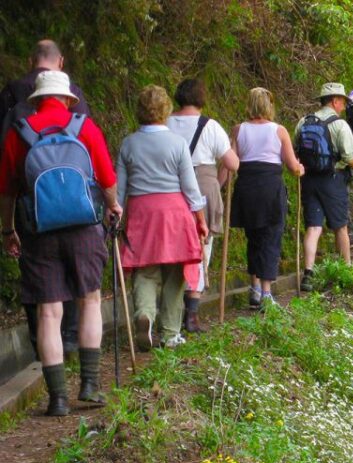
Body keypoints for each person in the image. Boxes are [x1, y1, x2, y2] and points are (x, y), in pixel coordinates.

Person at [0, 71, 121, 416]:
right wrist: (112, 205)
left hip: (39, 230)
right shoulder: (85, 127)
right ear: (68, 99)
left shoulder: (18, 133)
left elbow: (7, 191)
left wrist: (9, 230)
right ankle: (90, 386)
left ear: (35, 101)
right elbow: (107, 178)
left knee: (49, 311)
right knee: (90, 301)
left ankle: (58, 399)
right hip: (84, 227)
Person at [0, 40, 89, 356]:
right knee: (75, 270)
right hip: (77, 204)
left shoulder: (11, 93)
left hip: (31, 204)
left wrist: (7, 226)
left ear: (30, 60)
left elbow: (6, 166)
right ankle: (70, 338)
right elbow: (92, 155)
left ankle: (41, 342)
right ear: (60, 62)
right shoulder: (74, 95)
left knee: (37, 273)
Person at [116, 85, 208, 350]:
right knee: (175, 273)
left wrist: (115, 218)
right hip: (174, 214)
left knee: (144, 271)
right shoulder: (177, 143)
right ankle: (170, 333)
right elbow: (191, 189)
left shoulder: (129, 144)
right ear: (166, 109)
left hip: (142, 213)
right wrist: (200, 219)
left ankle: (144, 314)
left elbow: (120, 191)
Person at [167, 79, 240, 332]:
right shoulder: (211, 127)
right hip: (204, 187)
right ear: (201, 98)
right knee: (201, 248)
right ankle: (192, 315)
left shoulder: (164, 123)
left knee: (173, 247)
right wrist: (231, 147)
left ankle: (170, 314)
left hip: (171, 189)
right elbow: (233, 164)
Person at [294, 83, 353, 291]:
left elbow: (296, 151)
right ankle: (346, 271)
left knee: (313, 227)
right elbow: (350, 157)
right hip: (333, 179)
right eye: (342, 101)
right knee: (340, 225)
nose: (343, 105)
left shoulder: (304, 122)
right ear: (334, 100)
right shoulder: (340, 125)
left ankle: (308, 274)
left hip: (309, 180)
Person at [230, 87, 303, 308]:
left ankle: (254, 287)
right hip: (270, 188)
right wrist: (301, 168)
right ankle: (266, 293)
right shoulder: (279, 131)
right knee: (271, 238)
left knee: (253, 237)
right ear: (269, 106)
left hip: (247, 187)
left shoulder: (237, 130)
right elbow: (292, 166)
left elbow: (231, 161)